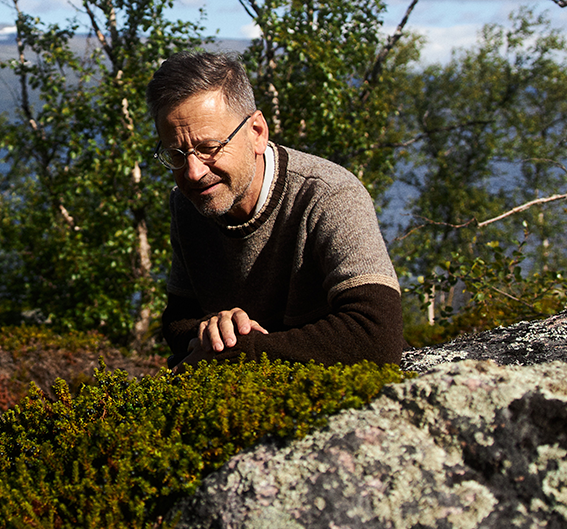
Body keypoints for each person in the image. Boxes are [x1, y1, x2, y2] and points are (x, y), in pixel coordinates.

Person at [147, 51, 404, 367]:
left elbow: (378, 336)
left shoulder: (328, 194)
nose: (193, 172)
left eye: (209, 148)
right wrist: (214, 327)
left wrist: (244, 349)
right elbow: (178, 319)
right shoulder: (188, 204)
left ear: (256, 132)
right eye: (176, 154)